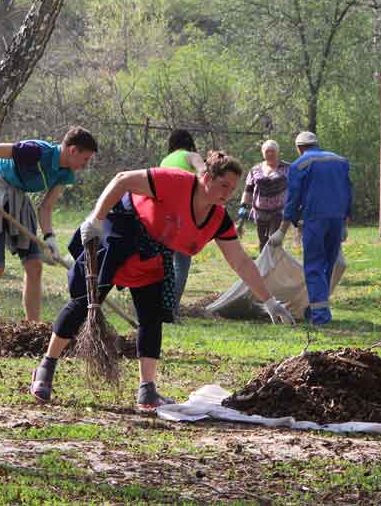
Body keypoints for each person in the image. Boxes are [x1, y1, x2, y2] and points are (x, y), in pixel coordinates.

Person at [29, 151, 295, 410]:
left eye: (233, 188)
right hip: (120, 230)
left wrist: (269, 301)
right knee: (85, 301)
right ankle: (46, 367)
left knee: (151, 316)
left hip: (153, 250)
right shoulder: (175, 182)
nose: (227, 193)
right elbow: (122, 179)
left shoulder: (217, 219)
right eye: (223, 185)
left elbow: (241, 262)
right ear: (207, 178)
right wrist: (96, 220)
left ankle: (147, 388)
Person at [0, 126, 98, 337]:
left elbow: (46, 207)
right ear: (73, 150)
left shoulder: (65, 174)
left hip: (18, 195)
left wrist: (51, 238)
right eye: (85, 159)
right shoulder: (36, 151)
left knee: (34, 266)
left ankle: (33, 329)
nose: (84, 165)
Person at [267, 131, 352, 325]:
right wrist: (345, 222)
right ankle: (316, 308)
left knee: (313, 266)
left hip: (315, 220)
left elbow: (293, 198)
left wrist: (282, 229)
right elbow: (348, 191)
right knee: (328, 265)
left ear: (299, 148)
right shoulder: (340, 161)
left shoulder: (300, 165)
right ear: (316, 144)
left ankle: (320, 316)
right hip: (336, 219)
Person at [159, 129, 205, 319]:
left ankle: (161, 305)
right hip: (185, 216)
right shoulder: (191, 156)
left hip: (163, 216)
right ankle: (172, 310)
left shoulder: (165, 161)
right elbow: (203, 171)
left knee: (166, 264)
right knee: (182, 263)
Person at [237, 139, 290, 251]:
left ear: (277, 152)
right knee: (262, 240)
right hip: (260, 211)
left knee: (274, 240)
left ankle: (275, 265)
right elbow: (248, 189)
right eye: (267, 151)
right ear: (263, 153)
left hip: (278, 211)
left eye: (272, 151)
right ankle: (263, 266)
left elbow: (295, 188)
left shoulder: (287, 168)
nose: (270, 154)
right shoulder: (255, 169)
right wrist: (243, 206)